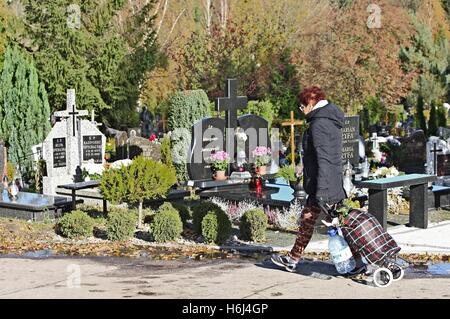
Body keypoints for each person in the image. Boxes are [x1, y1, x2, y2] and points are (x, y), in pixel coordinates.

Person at [271, 86, 363, 274]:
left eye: (302, 105)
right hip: (325, 183)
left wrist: (322, 190)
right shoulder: (327, 120)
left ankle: (360, 262)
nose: (300, 109)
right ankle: (292, 259)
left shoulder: (319, 124)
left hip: (324, 186)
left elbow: (325, 158)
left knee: (341, 225)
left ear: (311, 103)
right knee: (308, 220)